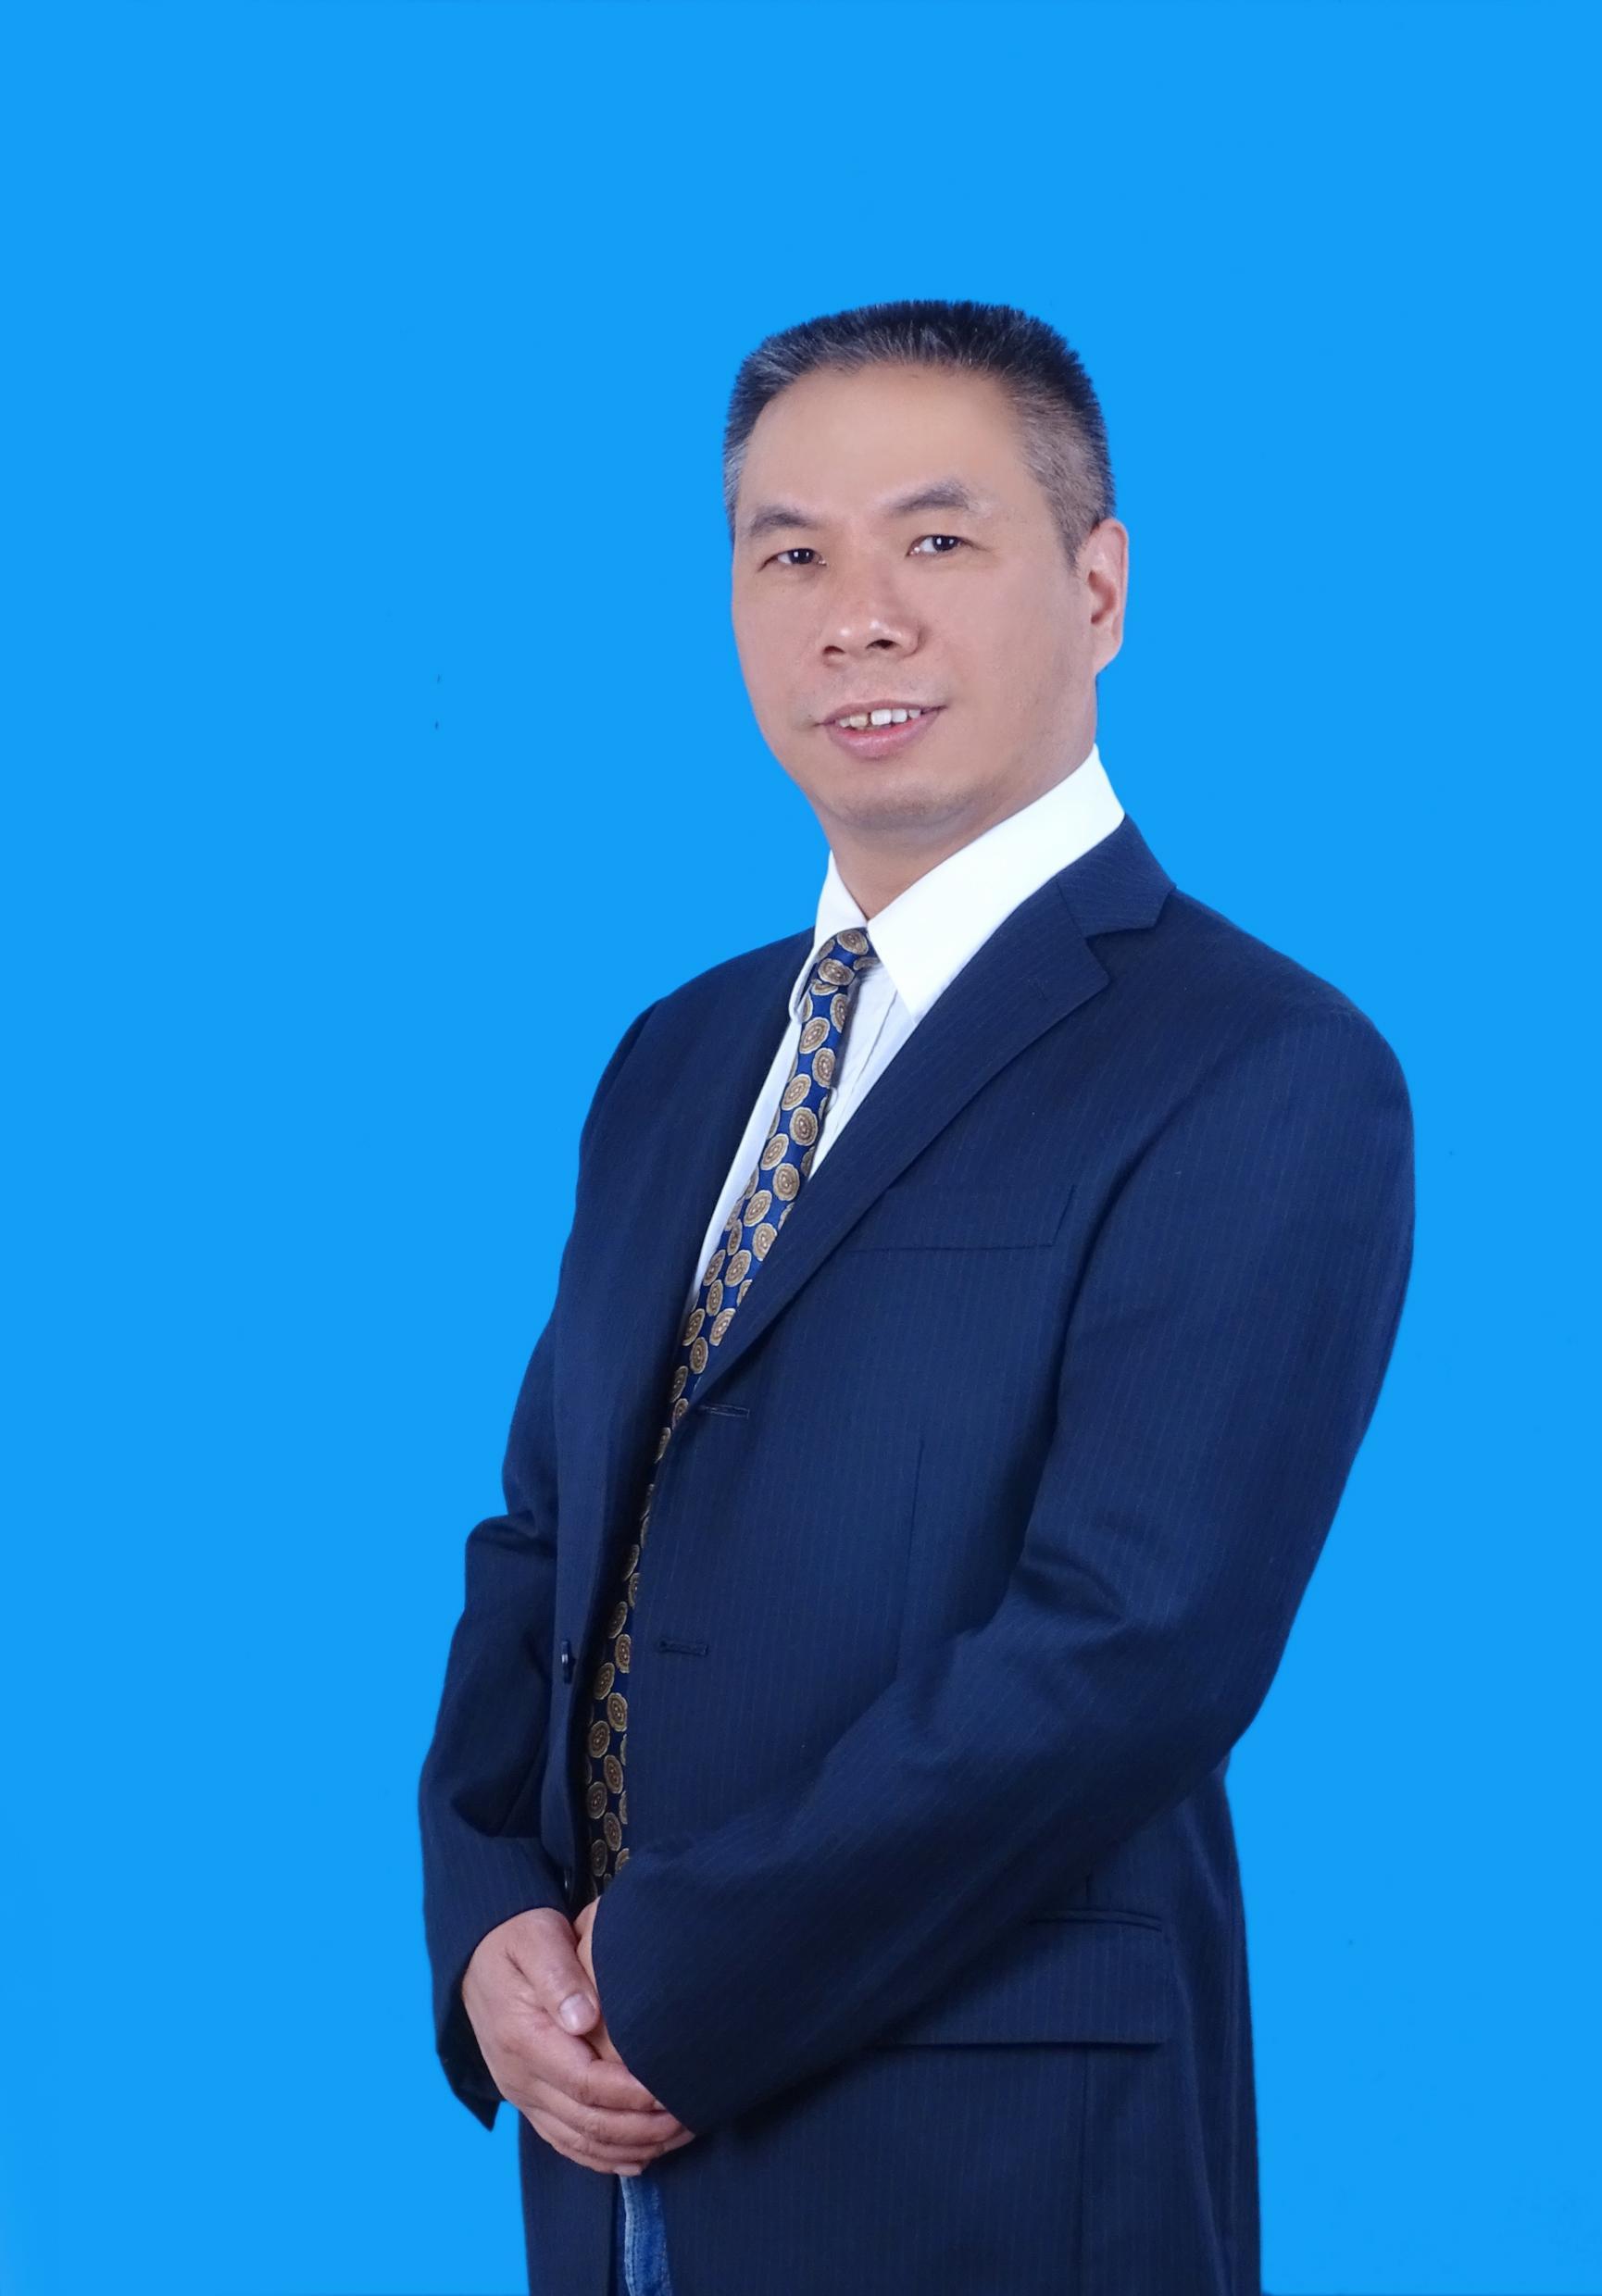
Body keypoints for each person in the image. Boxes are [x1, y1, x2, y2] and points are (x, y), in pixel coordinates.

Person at [418, 295, 1416, 2296]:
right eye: (788, 554)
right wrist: (488, 1915)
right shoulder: (679, 1057)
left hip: (983, 2159)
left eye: (935, 541)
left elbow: (1128, 1647)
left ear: (1100, 587)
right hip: (604, 2170)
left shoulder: (1259, 1065)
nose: (854, 619)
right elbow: (548, 1537)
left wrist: (671, 1977)